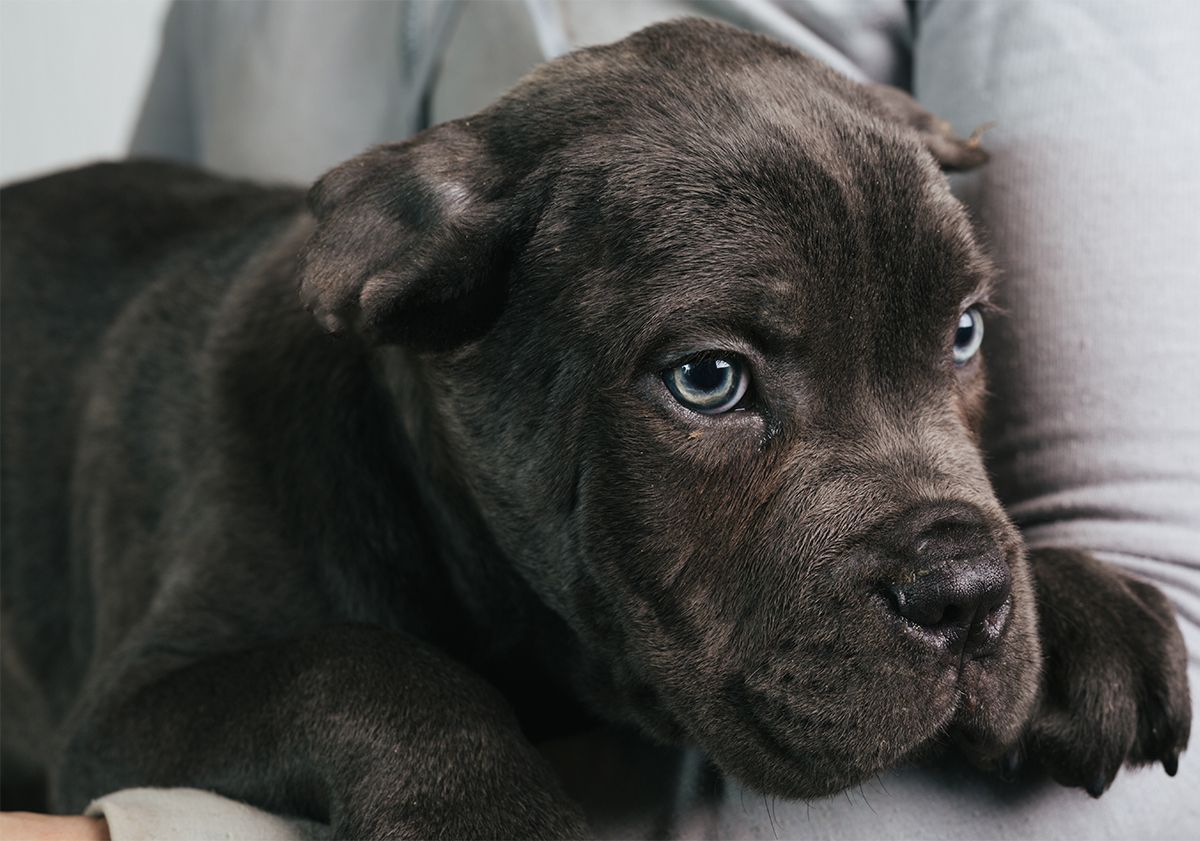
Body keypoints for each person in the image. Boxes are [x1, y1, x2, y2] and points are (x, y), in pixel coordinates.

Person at [11, 1, 1200, 838]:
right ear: (434, 314)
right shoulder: (271, 428)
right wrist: (402, 740)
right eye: (713, 379)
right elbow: (116, 733)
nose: (962, 580)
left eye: (958, 337)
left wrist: (1052, 592)